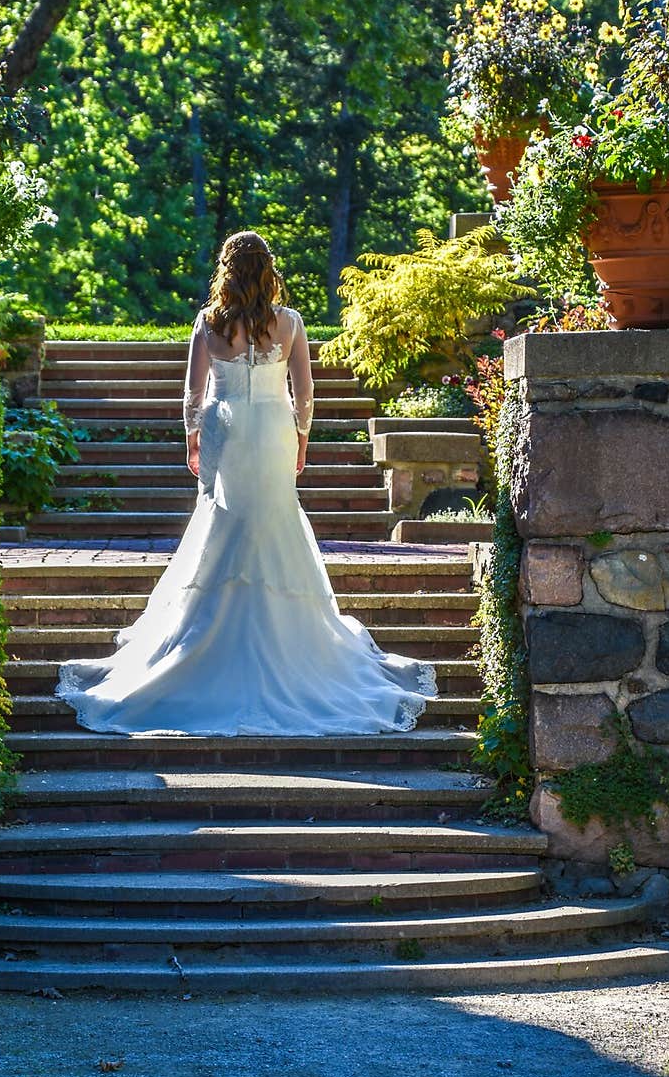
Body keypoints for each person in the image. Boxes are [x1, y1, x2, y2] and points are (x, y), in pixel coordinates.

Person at [56, 230, 437, 735]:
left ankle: (204, 639)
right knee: (272, 520)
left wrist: (193, 438)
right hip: (273, 428)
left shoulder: (209, 322)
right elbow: (305, 393)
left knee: (222, 521)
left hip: (226, 428)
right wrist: (301, 441)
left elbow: (193, 392)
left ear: (227, 270)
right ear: (268, 269)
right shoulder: (290, 323)